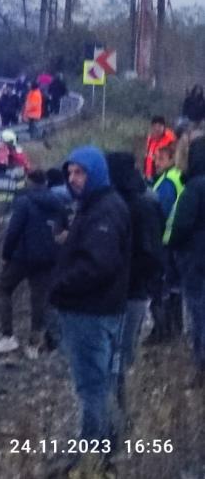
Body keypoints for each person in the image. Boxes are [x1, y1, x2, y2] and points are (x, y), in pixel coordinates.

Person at [49, 147, 130, 454]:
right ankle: (104, 441)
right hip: (94, 307)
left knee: (92, 384)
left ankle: (95, 449)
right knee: (99, 380)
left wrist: (60, 286)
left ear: (95, 173)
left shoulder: (104, 209)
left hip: (90, 310)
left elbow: (98, 264)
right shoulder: (95, 204)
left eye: (80, 172)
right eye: (70, 173)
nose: (73, 179)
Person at [106, 152, 163, 421]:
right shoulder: (141, 202)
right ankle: (118, 414)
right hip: (131, 292)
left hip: (129, 293)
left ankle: (119, 417)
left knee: (118, 357)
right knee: (119, 356)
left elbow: (150, 254)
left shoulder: (134, 206)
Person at [0, 170, 67, 358]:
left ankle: (8, 336)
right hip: (48, 258)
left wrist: (6, 255)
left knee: (5, 289)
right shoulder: (57, 202)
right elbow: (64, 229)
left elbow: (14, 230)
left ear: (29, 182)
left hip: (22, 257)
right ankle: (34, 344)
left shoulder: (24, 202)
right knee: (39, 299)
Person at [170, 136, 205, 387]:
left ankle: (200, 364)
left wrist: (173, 244)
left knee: (197, 311)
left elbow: (181, 224)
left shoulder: (195, 187)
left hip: (196, 258)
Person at [149, 144, 185, 343]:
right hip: (173, 238)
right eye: (155, 158)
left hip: (165, 239)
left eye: (160, 158)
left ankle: (166, 331)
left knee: (165, 286)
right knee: (174, 286)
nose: (156, 162)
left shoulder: (168, 181)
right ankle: (174, 329)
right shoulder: (175, 177)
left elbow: (162, 210)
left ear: (172, 159)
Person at [143, 115, 176, 180]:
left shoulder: (170, 139)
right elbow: (148, 156)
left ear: (164, 127)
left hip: (162, 176)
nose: (157, 129)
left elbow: (174, 160)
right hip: (148, 175)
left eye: (159, 126)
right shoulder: (150, 138)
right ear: (152, 127)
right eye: (155, 126)